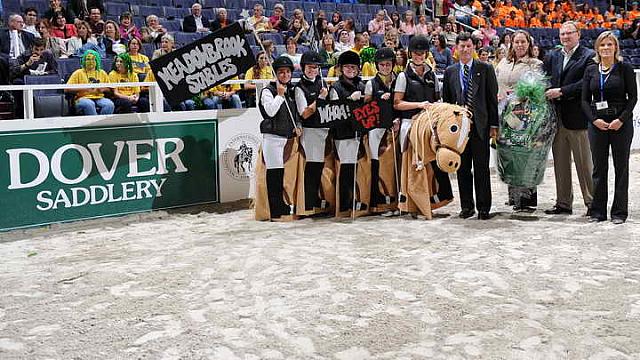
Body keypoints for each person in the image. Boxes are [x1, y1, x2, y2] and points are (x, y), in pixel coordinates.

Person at [581, 31, 637, 224]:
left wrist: (621, 120)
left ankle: (619, 212)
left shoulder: (625, 68)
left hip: (620, 124)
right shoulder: (591, 70)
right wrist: (594, 120)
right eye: (602, 45)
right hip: (597, 124)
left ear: (616, 47)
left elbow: (633, 98)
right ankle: (597, 211)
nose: (606, 48)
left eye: (609, 45)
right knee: (599, 168)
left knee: (621, 168)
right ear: (597, 48)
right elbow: (584, 101)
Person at [442, 32, 499, 220]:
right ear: (456, 49)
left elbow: (492, 100)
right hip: (459, 130)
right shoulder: (450, 71)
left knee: (481, 168)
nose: (465, 49)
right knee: (462, 168)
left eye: (468, 46)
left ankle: (484, 207)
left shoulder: (485, 68)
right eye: (462, 46)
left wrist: (493, 125)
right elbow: (447, 103)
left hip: (480, 126)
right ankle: (467, 207)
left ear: (473, 48)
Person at [543, 21, 595, 216]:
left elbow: (586, 83)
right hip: (557, 120)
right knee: (560, 164)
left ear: (578, 34)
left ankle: (592, 203)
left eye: (569, 33)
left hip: (578, 119)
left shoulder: (589, 56)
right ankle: (563, 203)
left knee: (584, 164)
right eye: (562, 34)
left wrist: (562, 92)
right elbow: (546, 79)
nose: (565, 37)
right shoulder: (554, 56)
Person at [394, 35, 449, 214]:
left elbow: (437, 99)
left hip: (428, 124)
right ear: (411, 54)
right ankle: (409, 200)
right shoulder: (403, 76)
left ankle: (435, 198)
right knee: (412, 162)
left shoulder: (431, 74)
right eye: (416, 53)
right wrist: (419, 105)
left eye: (422, 53)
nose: (419, 56)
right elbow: (397, 103)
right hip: (410, 122)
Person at [495, 30, 543, 212]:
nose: (520, 45)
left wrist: (517, 97)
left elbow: (536, 90)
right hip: (505, 117)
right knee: (509, 156)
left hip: (525, 117)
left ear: (529, 44)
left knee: (525, 157)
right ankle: (514, 196)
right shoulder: (503, 62)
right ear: (511, 44)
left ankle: (527, 200)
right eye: (517, 42)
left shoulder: (535, 64)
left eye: (523, 42)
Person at [258, 56, 298, 220]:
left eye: (288, 72)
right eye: (281, 72)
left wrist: (298, 125)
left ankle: (281, 204)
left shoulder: (291, 90)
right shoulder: (268, 91)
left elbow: (293, 112)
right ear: (276, 74)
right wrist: (279, 96)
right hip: (273, 136)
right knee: (274, 173)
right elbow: (270, 112)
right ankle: (274, 209)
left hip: (286, 136)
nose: (285, 75)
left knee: (281, 173)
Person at [330, 51, 367, 215]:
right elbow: (334, 110)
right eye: (347, 67)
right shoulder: (336, 88)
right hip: (343, 132)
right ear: (341, 69)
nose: (351, 70)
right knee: (346, 166)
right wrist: (349, 100)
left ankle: (353, 199)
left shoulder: (362, 85)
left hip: (358, 130)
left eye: (353, 67)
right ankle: (345, 203)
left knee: (354, 167)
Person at [295, 50, 330, 214]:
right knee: (313, 166)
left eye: (315, 67)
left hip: (322, 129)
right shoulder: (299, 88)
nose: (312, 70)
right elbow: (305, 113)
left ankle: (314, 199)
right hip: (310, 130)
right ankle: (309, 203)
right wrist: (320, 99)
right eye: (309, 67)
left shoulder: (322, 84)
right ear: (303, 68)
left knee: (319, 165)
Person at [364, 47, 397, 214]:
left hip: (393, 127)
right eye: (382, 64)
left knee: (393, 165)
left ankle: (395, 201)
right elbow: (366, 106)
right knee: (376, 162)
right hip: (376, 128)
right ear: (377, 66)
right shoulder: (371, 83)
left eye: (388, 64)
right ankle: (377, 202)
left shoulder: (399, 80)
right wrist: (378, 99)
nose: (385, 67)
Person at [65, 49, 114, 115]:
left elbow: (109, 89)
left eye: (93, 59)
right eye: (88, 59)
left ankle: (101, 123)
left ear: (96, 61)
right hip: (82, 98)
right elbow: (66, 89)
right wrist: (84, 88)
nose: (91, 61)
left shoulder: (102, 72)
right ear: (84, 61)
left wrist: (103, 89)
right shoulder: (78, 73)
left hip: (99, 97)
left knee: (109, 104)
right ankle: (95, 124)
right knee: (89, 104)